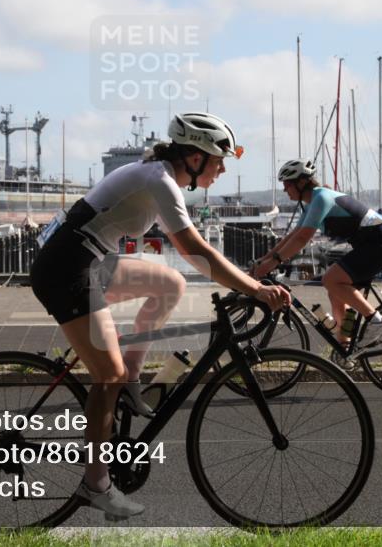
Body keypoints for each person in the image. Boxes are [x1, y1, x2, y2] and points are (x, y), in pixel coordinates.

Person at [30, 112, 291, 519]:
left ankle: (132, 381)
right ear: (195, 157)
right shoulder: (159, 180)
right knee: (107, 375)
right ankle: (96, 484)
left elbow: (191, 257)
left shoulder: (159, 175)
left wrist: (245, 283)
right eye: (219, 160)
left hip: (89, 259)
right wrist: (255, 288)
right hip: (66, 268)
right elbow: (197, 251)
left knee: (171, 285)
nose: (222, 169)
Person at [253, 158, 382, 349]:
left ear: (301, 183)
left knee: (331, 279)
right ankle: (345, 346)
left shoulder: (321, 198)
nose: (284, 190)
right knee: (335, 292)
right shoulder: (312, 202)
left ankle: (376, 321)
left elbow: (302, 239)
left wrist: (273, 262)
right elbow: (292, 236)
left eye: (287, 184)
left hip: (381, 244)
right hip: (372, 244)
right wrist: (263, 260)